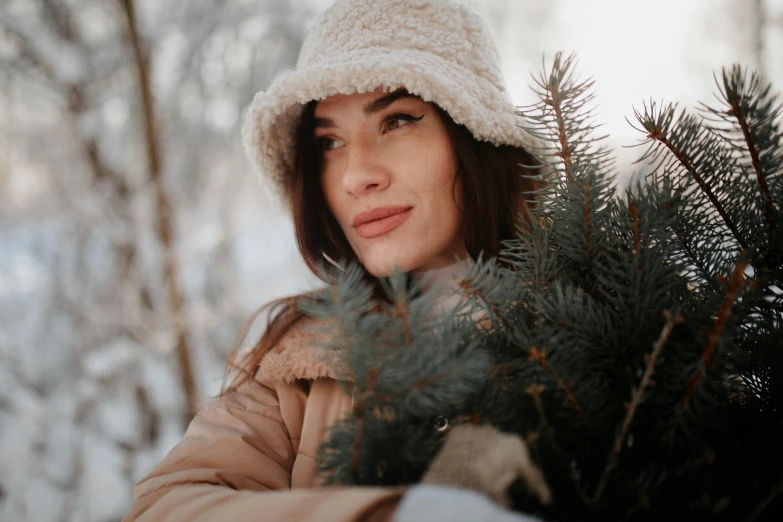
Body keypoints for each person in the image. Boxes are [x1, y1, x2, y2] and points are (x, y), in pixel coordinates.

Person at [121, 0, 546, 520]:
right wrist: (392, 514)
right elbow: (166, 506)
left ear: (474, 137)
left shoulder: (628, 327)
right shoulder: (299, 360)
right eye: (329, 142)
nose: (354, 176)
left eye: (396, 121)